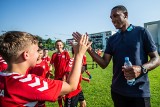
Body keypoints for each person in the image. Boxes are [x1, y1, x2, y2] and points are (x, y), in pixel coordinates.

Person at [72, 5, 160, 107]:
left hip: (139, 92)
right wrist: (88, 48)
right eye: (111, 18)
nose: (113, 20)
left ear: (126, 15)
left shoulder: (141, 32)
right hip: (118, 92)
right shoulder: (112, 39)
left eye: (115, 16)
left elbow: (156, 59)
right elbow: (104, 63)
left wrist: (141, 69)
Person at [0, 31, 91, 107]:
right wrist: (79, 54)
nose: (40, 54)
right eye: (36, 51)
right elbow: (71, 86)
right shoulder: (31, 83)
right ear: (26, 55)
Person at [50, 40, 70, 107]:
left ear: (62, 45)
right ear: (55, 46)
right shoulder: (54, 54)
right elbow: (51, 64)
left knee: (65, 93)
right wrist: (50, 69)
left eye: (60, 45)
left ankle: (67, 105)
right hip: (57, 76)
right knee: (58, 93)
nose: (59, 46)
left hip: (65, 76)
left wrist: (66, 74)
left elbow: (69, 65)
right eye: (57, 45)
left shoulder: (65, 53)